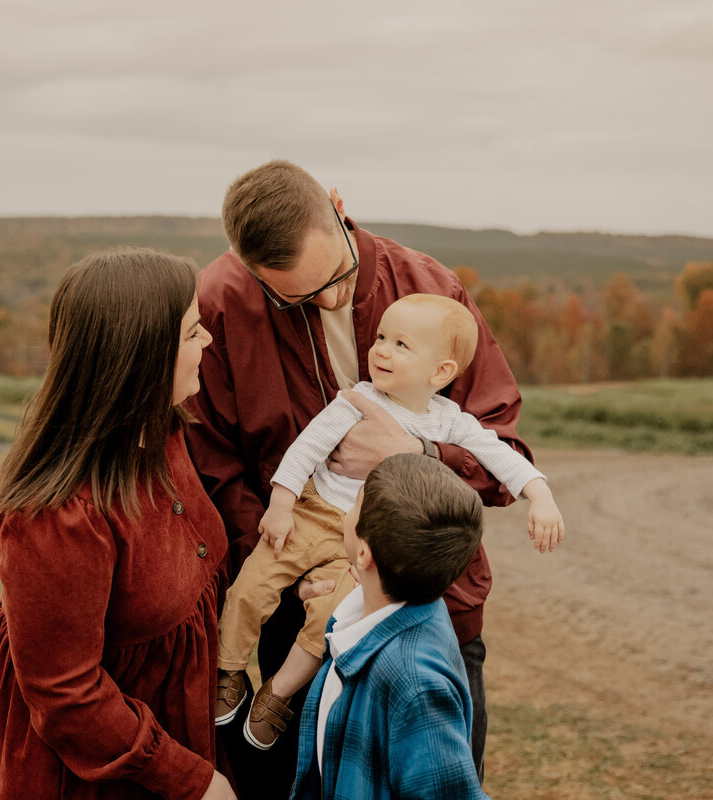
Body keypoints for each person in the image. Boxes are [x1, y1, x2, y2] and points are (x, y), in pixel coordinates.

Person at [185, 159, 536, 793]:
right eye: (294, 297)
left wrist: (415, 456)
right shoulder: (219, 303)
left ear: (341, 207)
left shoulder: (431, 289)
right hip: (299, 612)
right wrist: (293, 561)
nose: (329, 300)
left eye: (336, 276)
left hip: (430, 607)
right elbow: (216, 468)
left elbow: (505, 452)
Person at [215, 293, 564, 750]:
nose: (381, 350)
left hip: (360, 540)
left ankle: (277, 692)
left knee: (327, 621)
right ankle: (228, 668)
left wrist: (540, 496)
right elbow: (306, 447)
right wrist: (280, 506)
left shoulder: (450, 423)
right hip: (311, 516)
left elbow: (500, 455)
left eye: (401, 345)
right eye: (381, 337)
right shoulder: (356, 400)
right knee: (253, 585)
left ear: (440, 373)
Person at [0, 248, 237, 800]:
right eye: (192, 332)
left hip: (171, 731)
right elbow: (67, 697)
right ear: (141, 354)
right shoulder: (58, 514)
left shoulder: (165, 433)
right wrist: (191, 781)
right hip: (90, 771)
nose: (206, 343)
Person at [289, 452, 490, 799]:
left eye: (355, 504)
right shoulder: (374, 610)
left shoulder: (416, 685)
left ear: (365, 554)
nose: (347, 511)